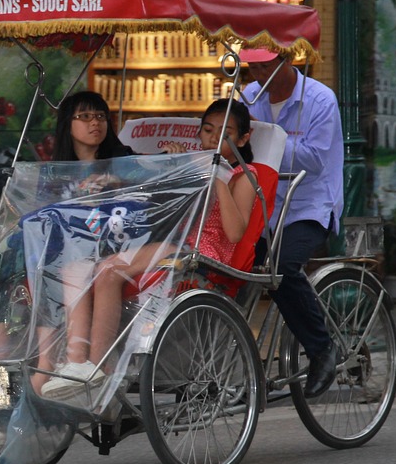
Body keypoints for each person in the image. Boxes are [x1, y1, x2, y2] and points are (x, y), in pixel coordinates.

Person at [43, 99, 260, 401]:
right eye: (208, 130)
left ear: (242, 139)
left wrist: (216, 179)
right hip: (170, 241)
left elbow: (236, 232)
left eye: (224, 133)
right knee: (96, 270)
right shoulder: (191, 161)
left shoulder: (244, 175)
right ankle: (89, 363)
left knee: (108, 269)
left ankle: (98, 366)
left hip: (203, 253)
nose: (212, 138)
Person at [0, 90, 130, 382]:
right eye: (84, 116)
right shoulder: (52, 172)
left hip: (101, 241)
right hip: (58, 242)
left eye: (99, 116)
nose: (94, 123)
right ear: (67, 125)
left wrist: (114, 181)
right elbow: (40, 214)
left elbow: (147, 184)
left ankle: (48, 362)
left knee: (52, 262)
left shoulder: (121, 162)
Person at [240, 47, 342, 398]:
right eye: (252, 66)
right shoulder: (249, 96)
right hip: (262, 205)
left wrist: (265, 136)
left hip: (309, 205)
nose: (258, 74)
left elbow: (314, 160)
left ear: (288, 61)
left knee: (280, 268)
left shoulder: (320, 99)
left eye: (265, 66)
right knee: (223, 263)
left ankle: (321, 349)